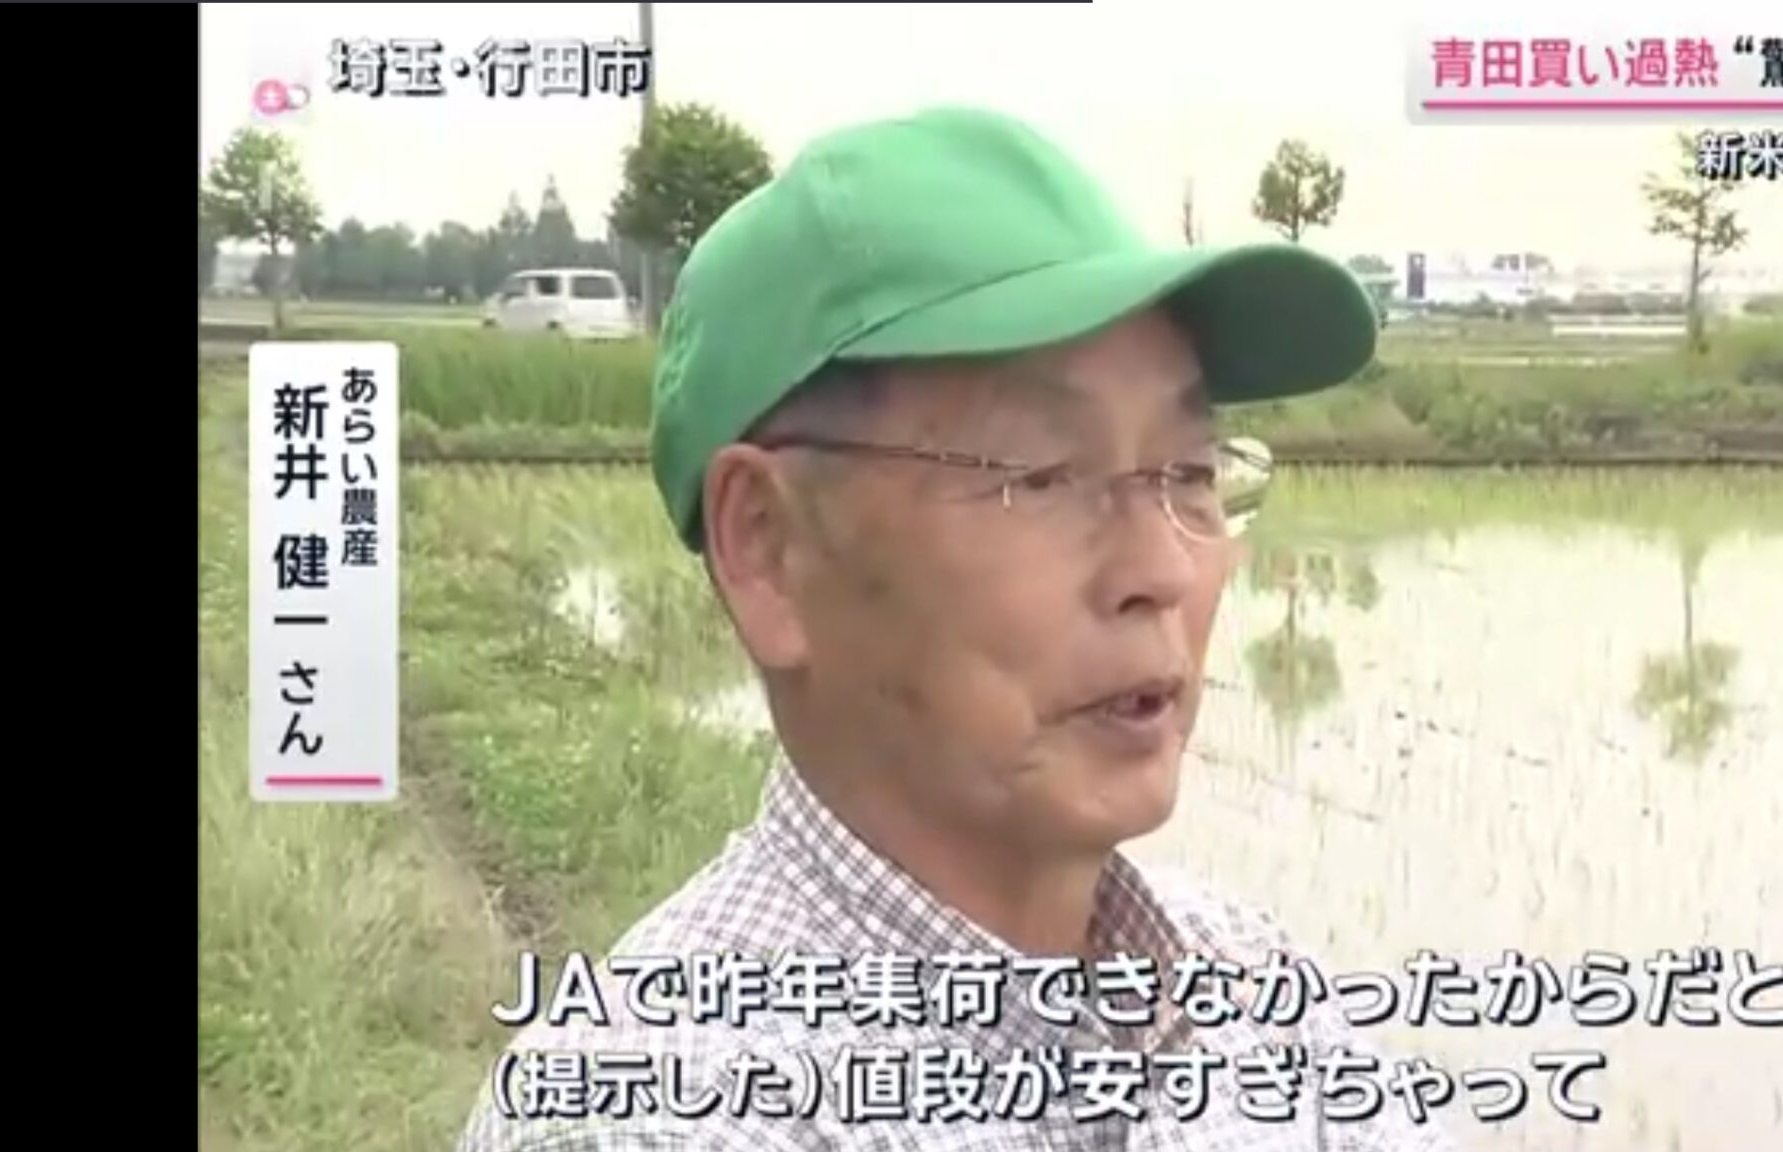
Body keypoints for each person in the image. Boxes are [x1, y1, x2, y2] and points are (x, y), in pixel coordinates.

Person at [459, 106, 1451, 1151]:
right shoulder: (660, 1115)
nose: (1163, 570)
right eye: (1045, 475)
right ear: (770, 548)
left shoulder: (1262, 1002)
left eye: (1191, 470)